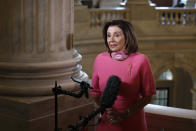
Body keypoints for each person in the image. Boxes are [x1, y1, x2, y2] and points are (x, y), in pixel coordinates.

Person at [90, 19, 156, 131]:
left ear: (127, 37)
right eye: (108, 35)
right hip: (107, 123)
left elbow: (148, 96)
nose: (111, 40)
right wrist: (105, 109)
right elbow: (95, 92)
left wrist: (124, 114)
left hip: (132, 123)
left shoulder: (141, 60)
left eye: (117, 35)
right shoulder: (100, 59)